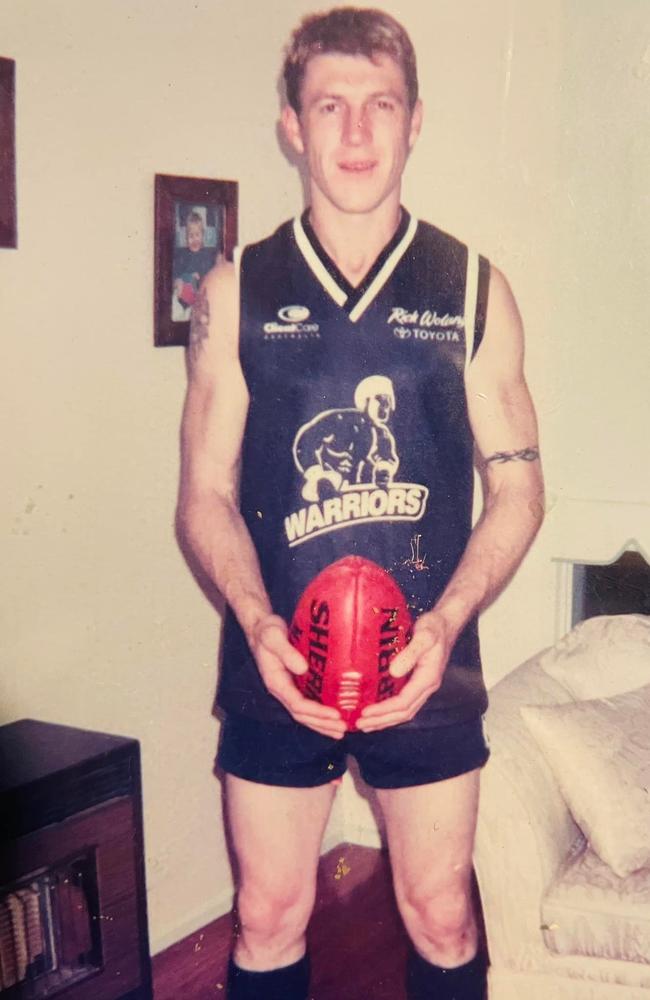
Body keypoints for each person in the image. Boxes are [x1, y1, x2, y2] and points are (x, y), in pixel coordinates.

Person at [176, 7, 544, 999]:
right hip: (277, 658)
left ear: (414, 120)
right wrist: (253, 618)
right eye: (327, 106)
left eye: (378, 106)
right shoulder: (235, 292)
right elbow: (204, 495)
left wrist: (449, 618)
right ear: (290, 125)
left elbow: (515, 484)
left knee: (439, 912)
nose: (353, 133)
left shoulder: (470, 288)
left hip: (426, 658)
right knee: (266, 915)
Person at [172, 209, 216, 321]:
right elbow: (175, 275)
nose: (194, 239)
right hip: (184, 297)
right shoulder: (182, 255)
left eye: (197, 235)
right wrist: (179, 281)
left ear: (203, 236)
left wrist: (200, 277)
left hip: (200, 296)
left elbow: (211, 276)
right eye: (191, 236)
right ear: (186, 238)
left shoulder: (207, 255)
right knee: (175, 304)